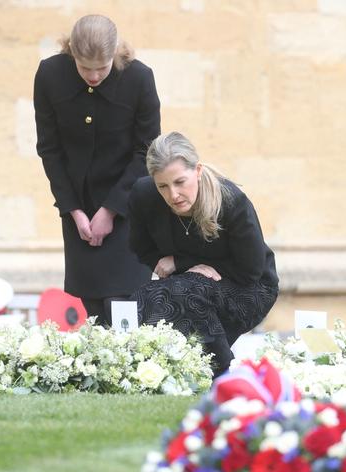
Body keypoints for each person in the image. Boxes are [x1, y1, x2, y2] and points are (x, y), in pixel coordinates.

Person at [34, 15, 161, 324]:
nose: (93, 76)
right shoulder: (50, 75)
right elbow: (49, 149)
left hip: (129, 209)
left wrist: (111, 210)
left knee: (127, 309)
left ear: (115, 53)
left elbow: (146, 151)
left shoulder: (139, 79)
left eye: (102, 68)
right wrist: (73, 209)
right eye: (84, 68)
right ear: (71, 54)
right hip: (79, 212)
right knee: (92, 311)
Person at [128, 132, 279, 377]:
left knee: (181, 291)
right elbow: (140, 247)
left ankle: (224, 374)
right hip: (188, 284)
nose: (173, 195)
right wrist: (186, 269)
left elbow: (250, 269)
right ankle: (167, 376)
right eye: (162, 186)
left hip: (250, 287)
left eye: (180, 182)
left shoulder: (231, 201)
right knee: (144, 297)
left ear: (197, 170)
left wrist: (183, 263)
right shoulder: (143, 196)